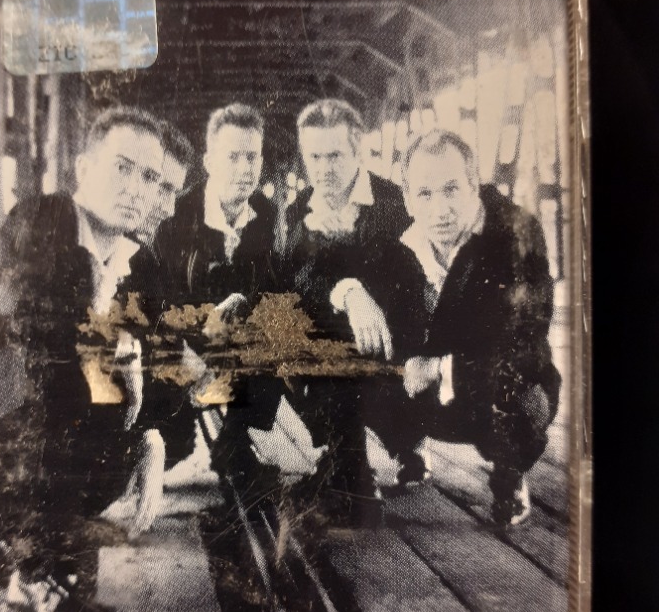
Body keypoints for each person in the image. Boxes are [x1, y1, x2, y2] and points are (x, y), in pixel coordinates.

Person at [0, 106, 193, 612]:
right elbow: (43, 356)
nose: (137, 188)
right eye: (123, 168)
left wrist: (146, 437)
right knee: (85, 402)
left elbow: (155, 365)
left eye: (150, 177)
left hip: (19, 419)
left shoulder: (124, 255)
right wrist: (121, 364)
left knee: (116, 440)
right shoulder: (45, 220)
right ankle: (35, 578)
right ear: (84, 168)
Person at [336, 129, 561, 526]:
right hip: (422, 386)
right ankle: (408, 448)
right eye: (425, 194)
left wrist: (438, 367)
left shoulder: (516, 233)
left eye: (451, 189)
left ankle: (509, 473)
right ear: (408, 199)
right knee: (346, 354)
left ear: (474, 185)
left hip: (492, 384)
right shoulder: (394, 230)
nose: (439, 209)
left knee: (522, 392)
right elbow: (333, 267)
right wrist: (353, 293)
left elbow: (525, 340)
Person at [283, 98, 410, 526]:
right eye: (314, 157)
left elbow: (407, 282)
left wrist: (358, 286)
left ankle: (361, 469)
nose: (324, 169)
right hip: (335, 355)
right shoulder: (299, 210)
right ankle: (350, 468)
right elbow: (297, 281)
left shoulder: (395, 204)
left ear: (359, 152)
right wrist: (347, 289)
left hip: (394, 347)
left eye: (335, 155)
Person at [154, 103, 281, 506]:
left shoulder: (267, 215)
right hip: (182, 344)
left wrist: (245, 303)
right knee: (174, 449)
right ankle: (175, 436)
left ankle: (235, 444)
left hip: (235, 341)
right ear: (209, 162)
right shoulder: (175, 214)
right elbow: (157, 296)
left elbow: (274, 286)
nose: (245, 169)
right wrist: (197, 327)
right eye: (233, 157)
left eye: (252, 157)